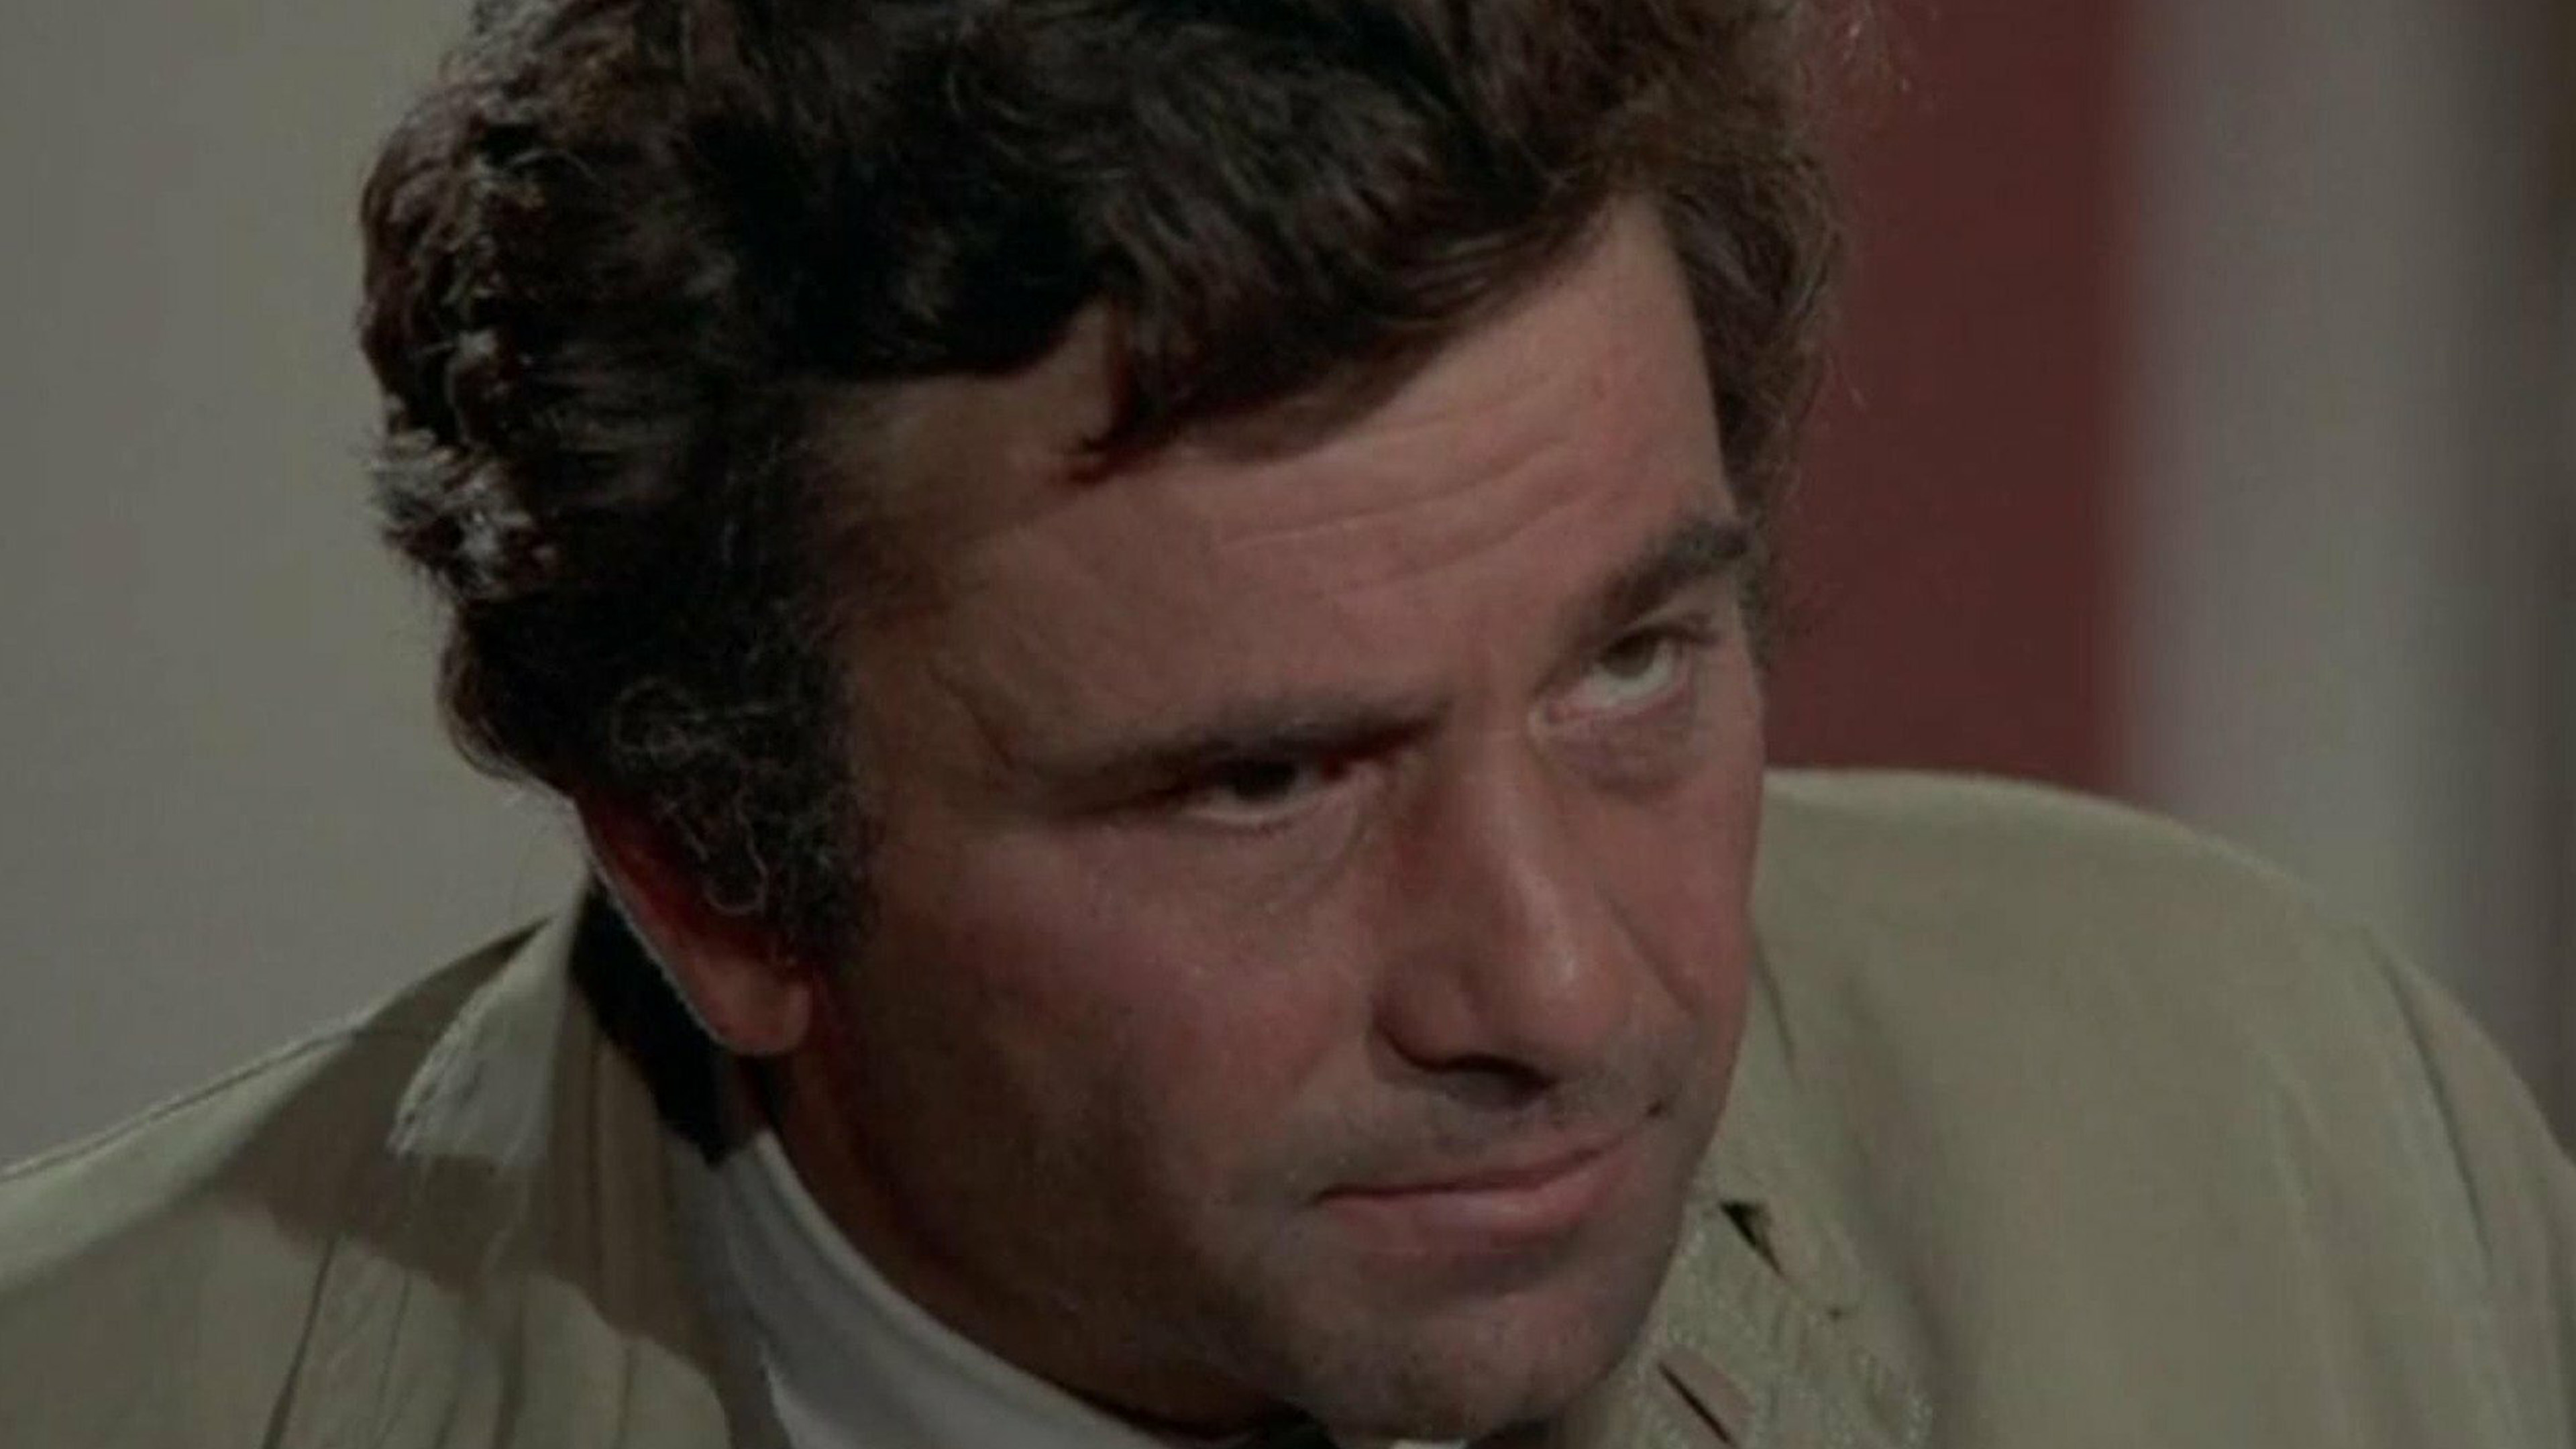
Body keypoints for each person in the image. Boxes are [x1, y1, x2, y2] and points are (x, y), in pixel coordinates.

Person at [2, 0, 2569, 1444]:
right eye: (1263, 784)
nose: (1559, 987)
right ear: (709, 870)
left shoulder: (2298, 1138)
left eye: (1632, 664)